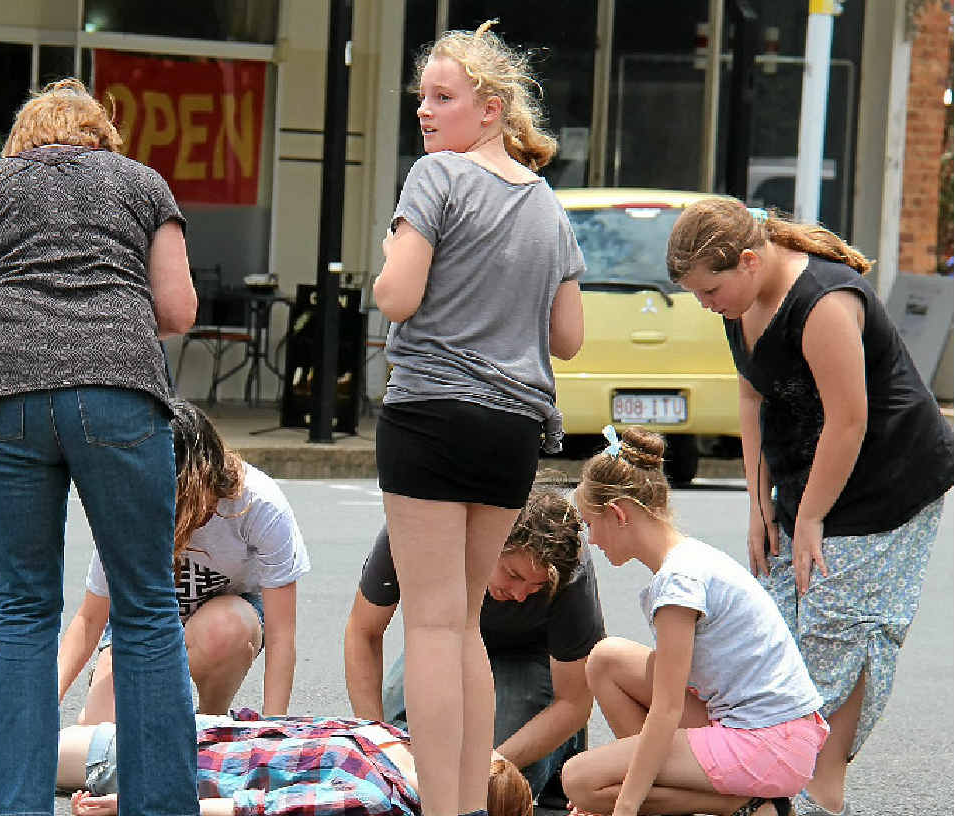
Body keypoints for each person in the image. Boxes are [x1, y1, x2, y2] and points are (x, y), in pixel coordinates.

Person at [0, 78, 199, 816]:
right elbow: (178, 309)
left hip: (6, 396)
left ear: (23, 137)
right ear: (101, 136)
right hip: (119, 392)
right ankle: (160, 807)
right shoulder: (141, 185)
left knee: (23, 612)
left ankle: (18, 806)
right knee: (147, 606)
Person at [665, 200, 954, 816]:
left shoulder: (823, 301)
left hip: (889, 478)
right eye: (696, 295)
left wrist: (811, 519)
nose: (706, 304)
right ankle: (776, 776)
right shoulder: (738, 301)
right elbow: (752, 400)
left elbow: (850, 421)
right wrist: (760, 506)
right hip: (808, 472)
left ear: (749, 259)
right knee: (776, 624)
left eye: (710, 290)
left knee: (840, 624)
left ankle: (820, 789)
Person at [372, 20, 585, 816]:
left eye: (442, 96)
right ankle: (465, 807)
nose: (424, 111)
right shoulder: (546, 204)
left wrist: (393, 246)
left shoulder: (436, 178)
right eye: (422, 97)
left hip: (430, 410)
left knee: (428, 626)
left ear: (490, 108)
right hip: (513, 429)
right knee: (464, 624)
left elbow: (398, 296)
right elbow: (568, 337)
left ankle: (442, 809)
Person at [560, 426, 829, 816]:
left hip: (768, 744)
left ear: (618, 513)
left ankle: (750, 806)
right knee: (606, 659)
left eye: (591, 524)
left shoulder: (677, 584)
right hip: (776, 731)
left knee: (580, 781)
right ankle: (680, 793)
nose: (593, 541)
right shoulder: (688, 560)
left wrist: (622, 803)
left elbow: (667, 709)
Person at [0, 652, 532, 816]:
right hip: (188, 742)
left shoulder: (386, 775)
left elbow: (259, 806)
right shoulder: (393, 768)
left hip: (170, 760)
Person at [58, 398, 310, 721]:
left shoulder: (261, 506)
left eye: (184, 504)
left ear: (209, 476)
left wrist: (274, 730)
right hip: (142, 621)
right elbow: (90, 619)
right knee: (103, 734)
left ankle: (208, 723)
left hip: (221, 623)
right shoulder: (132, 507)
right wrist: (48, 701)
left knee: (227, 628)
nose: (175, 520)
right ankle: (149, 717)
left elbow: (281, 634)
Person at [345, 489, 605, 800]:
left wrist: (492, 765)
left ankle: (563, 750)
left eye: (536, 587)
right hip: (442, 638)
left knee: (494, 785)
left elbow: (574, 702)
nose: (521, 595)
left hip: (529, 654)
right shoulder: (413, 530)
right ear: (491, 541)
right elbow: (362, 632)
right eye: (513, 575)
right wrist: (378, 743)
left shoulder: (569, 575)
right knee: (407, 752)